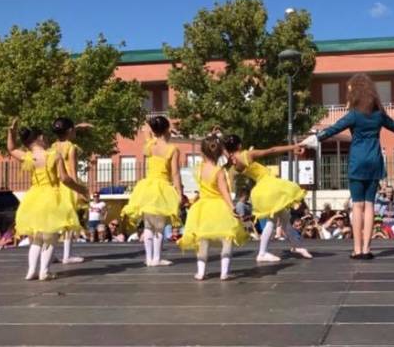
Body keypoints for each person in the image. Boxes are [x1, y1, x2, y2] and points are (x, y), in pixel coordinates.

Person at [302, 73, 394, 260]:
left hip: (357, 161)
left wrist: (314, 139)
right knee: (370, 205)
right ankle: (366, 249)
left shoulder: (354, 115)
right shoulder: (378, 115)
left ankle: (356, 250)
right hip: (374, 161)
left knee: (357, 206)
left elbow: (333, 129)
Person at [7, 119, 88, 280]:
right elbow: (64, 179)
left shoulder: (29, 157)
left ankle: (31, 270)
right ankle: (44, 271)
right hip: (52, 197)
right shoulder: (53, 155)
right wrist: (81, 189)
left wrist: (11, 132)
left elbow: (11, 149)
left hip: (33, 198)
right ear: (40, 138)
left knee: (36, 238)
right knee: (50, 237)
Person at [222, 134, 312, 262]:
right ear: (239, 145)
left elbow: (225, 151)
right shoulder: (246, 154)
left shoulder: (233, 161)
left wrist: (218, 139)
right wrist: (293, 147)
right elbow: (272, 150)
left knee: (284, 217)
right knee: (272, 221)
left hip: (261, 189)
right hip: (269, 186)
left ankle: (296, 246)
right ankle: (262, 253)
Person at [178, 136, 248, 280]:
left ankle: (201, 272)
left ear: (202, 152)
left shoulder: (199, 169)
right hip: (219, 207)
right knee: (226, 238)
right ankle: (224, 272)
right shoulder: (219, 171)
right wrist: (232, 207)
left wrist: (213, 142)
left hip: (202, 208)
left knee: (202, 240)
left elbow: (208, 152)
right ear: (220, 153)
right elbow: (225, 192)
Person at [121, 116, 182, 267]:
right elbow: (175, 173)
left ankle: (149, 259)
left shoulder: (149, 145)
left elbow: (146, 128)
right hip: (162, 187)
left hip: (147, 187)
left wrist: (157, 128)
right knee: (159, 226)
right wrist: (179, 192)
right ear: (167, 130)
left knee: (148, 225)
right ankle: (156, 258)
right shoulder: (172, 149)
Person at [51, 117, 90, 264]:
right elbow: (72, 172)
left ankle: (50, 253)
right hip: (67, 187)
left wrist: (77, 126)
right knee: (69, 222)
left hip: (55, 186)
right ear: (69, 131)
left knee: (54, 222)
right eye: (73, 130)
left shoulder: (53, 146)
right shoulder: (71, 147)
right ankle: (67, 255)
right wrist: (78, 191)